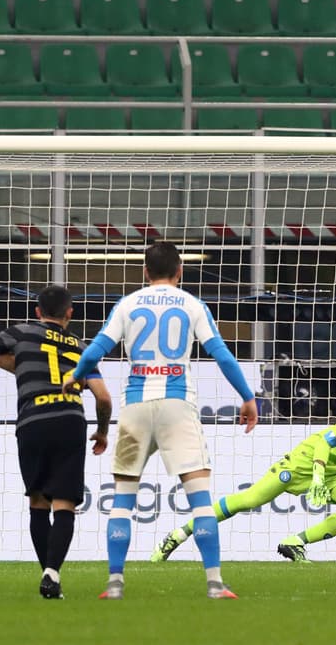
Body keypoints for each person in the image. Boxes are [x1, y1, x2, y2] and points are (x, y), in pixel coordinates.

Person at [65, 241, 259, 600]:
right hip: (176, 403)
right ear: (180, 270)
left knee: (123, 497)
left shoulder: (128, 303)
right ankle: (215, 583)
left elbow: (95, 349)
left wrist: (76, 375)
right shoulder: (191, 304)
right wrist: (247, 397)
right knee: (200, 498)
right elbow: (222, 355)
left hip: (136, 405)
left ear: (144, 271)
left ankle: (115, 583)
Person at [152, 381, 336, 564]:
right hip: (307, 460)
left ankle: (295, 543)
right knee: (250, 500)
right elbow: (326, 441)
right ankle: (178, 534)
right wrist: (316, 475)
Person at [0, 285, 112, 600]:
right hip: (70, 420)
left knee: (38, 501)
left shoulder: (20, 332)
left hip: (32, 421)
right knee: (65, 503)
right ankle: (52, 573)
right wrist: (102, 431)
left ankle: (48, 573)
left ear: (37, 312)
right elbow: (103, 397)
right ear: (70, 313)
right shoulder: (82, 347)